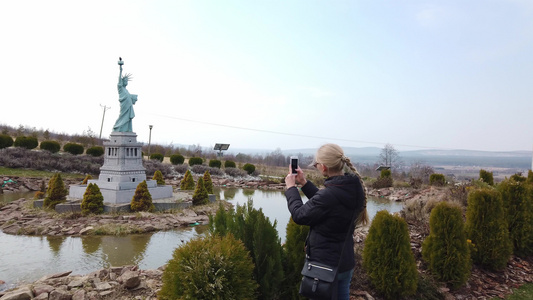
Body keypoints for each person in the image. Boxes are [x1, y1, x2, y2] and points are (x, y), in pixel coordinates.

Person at [285, 143, 368, 300]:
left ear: (323, 167)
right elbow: (328, 203)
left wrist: (291, 189)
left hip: (324, 267)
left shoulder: (330, 195)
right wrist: (304, 183)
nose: (316, 166)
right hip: (344, 263)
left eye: (316, 164)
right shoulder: (353, 187)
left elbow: (299, 215)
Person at [113, 62, 138, 132]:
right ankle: (117, 127)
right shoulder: (120, 88)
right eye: (125, 81)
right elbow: (119, 80)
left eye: (127, 81)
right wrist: (121, 70)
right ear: (122, 81)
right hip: (124, 106)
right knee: (122, 116)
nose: (127, 82)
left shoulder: (126, 90)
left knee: (128, 118)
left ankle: (128, 129)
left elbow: (129, 97)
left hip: (129, 105)